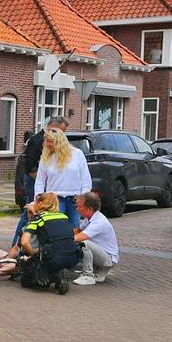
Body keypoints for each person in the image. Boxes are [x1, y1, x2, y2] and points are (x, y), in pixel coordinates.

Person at [12, 116, 68, 246]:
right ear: (52, 126)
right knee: (31, 213)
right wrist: (43, 185)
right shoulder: (37, 141)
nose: (62, 135)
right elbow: (30, 165)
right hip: (34, 182)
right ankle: (17, 244)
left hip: (42, 183)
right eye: (61, 130)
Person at [34, 127, 92, 230]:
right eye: (46, 141)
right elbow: (40, 181)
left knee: (74, 227)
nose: (47, 144)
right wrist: (38, 198)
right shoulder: (46, 157)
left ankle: (72, 246)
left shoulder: (77, 154)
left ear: (59, 142)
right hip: (54, 199)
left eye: (51, 141)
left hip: (75, 199)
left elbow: (85, 178)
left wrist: (84, 197)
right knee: (56, 228)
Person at [72, 191, 118, 285]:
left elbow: (79, 237)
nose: (77, 209)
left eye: (80, 207)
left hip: (108, 259)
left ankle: (88, 276)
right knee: (81, 243)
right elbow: (78, 231)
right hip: (104, 256)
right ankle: (99, 272)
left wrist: (61, 240)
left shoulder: (99, 222)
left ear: (89, 208)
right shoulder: (88, 218)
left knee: (83, 243)